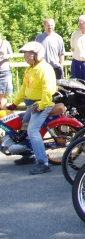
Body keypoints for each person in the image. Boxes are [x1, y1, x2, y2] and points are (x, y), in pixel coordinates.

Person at [8, 42, 57, 174]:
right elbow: (24, 88)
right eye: (25, 54)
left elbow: (48, 90)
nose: (26, 57)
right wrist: (15, 103)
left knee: (32, 130)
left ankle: (43, 163)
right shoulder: (30, 69)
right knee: (22, 127)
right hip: (31, 105)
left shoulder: (45, 69)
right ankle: (28, 154)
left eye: (29, 54)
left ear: (37, 54)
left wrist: (41, 105)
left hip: (42, 105)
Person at [0, 32, 13, 109]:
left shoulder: (5, 43)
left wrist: (6, 56)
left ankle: (3, 112)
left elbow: (11, 55)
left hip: (4, 71)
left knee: (3, 95)